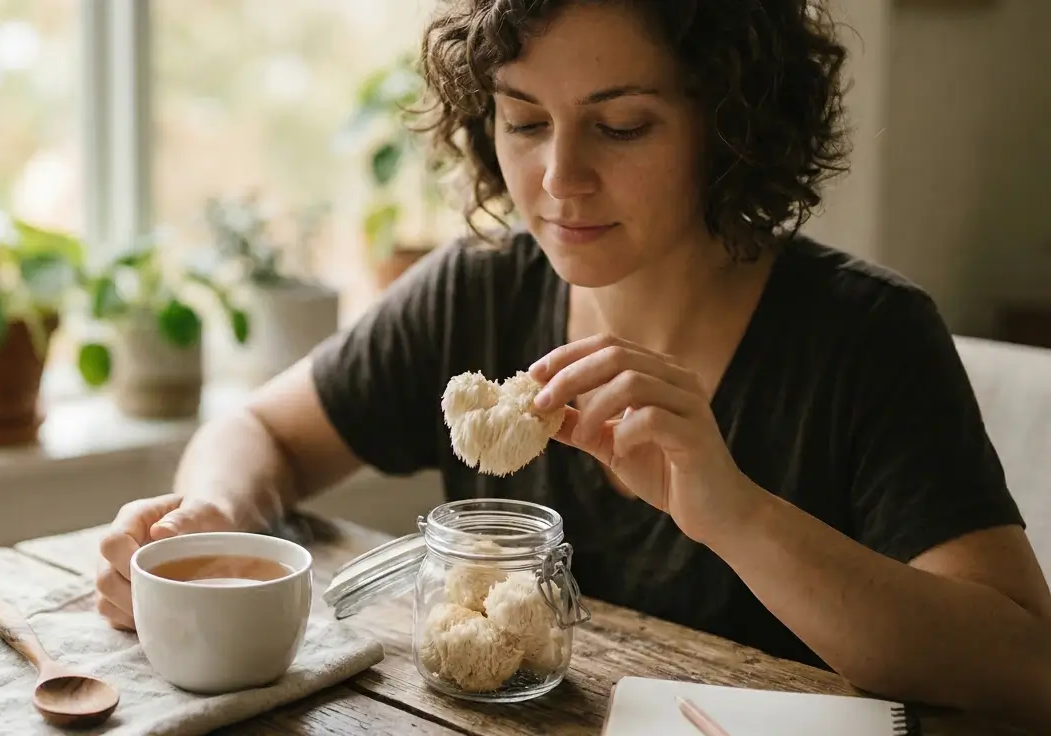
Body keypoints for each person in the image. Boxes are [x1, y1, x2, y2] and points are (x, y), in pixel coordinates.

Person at [97, 0, 1051, 727]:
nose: (558, 179)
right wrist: (217, 520)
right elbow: (259, 428)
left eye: (622, 125)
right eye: (522, 120)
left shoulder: (867, 338)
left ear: (734, 125)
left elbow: (1023, 666)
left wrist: (734, 513)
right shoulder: (474, 294)